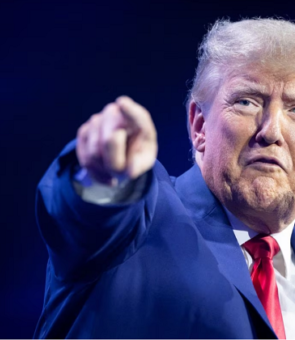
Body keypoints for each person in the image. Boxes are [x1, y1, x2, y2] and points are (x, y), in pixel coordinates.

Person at [34, 18, 295, 339]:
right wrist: (102, 174)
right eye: (246, 101)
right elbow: (88, 216)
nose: (271, 131)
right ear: (199, 126)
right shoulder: (143, 215)